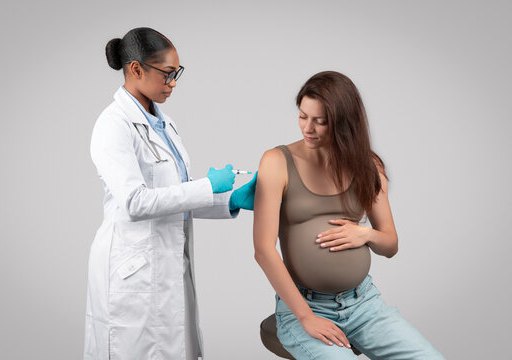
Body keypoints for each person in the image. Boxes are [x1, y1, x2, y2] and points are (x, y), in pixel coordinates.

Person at [84, 27, 256, 360]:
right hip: (132, 272)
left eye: (177, 74)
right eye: (167, 74)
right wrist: (207, 186)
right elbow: (135, 201)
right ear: (136, 69)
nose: (173, 82)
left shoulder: (164, 124)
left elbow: (173, 194)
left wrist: (228, 199)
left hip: (166, 264)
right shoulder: (113, 125)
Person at [253, 71, 445, 359]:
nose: (308, 128)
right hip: (306, 307)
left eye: (321, 121)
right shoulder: (277, 161)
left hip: (364, 305)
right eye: (303, 116)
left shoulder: (367, 165)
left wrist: (366, 234)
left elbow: (390, 245)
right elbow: (263, 251)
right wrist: (306, 317)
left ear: (344, 123)